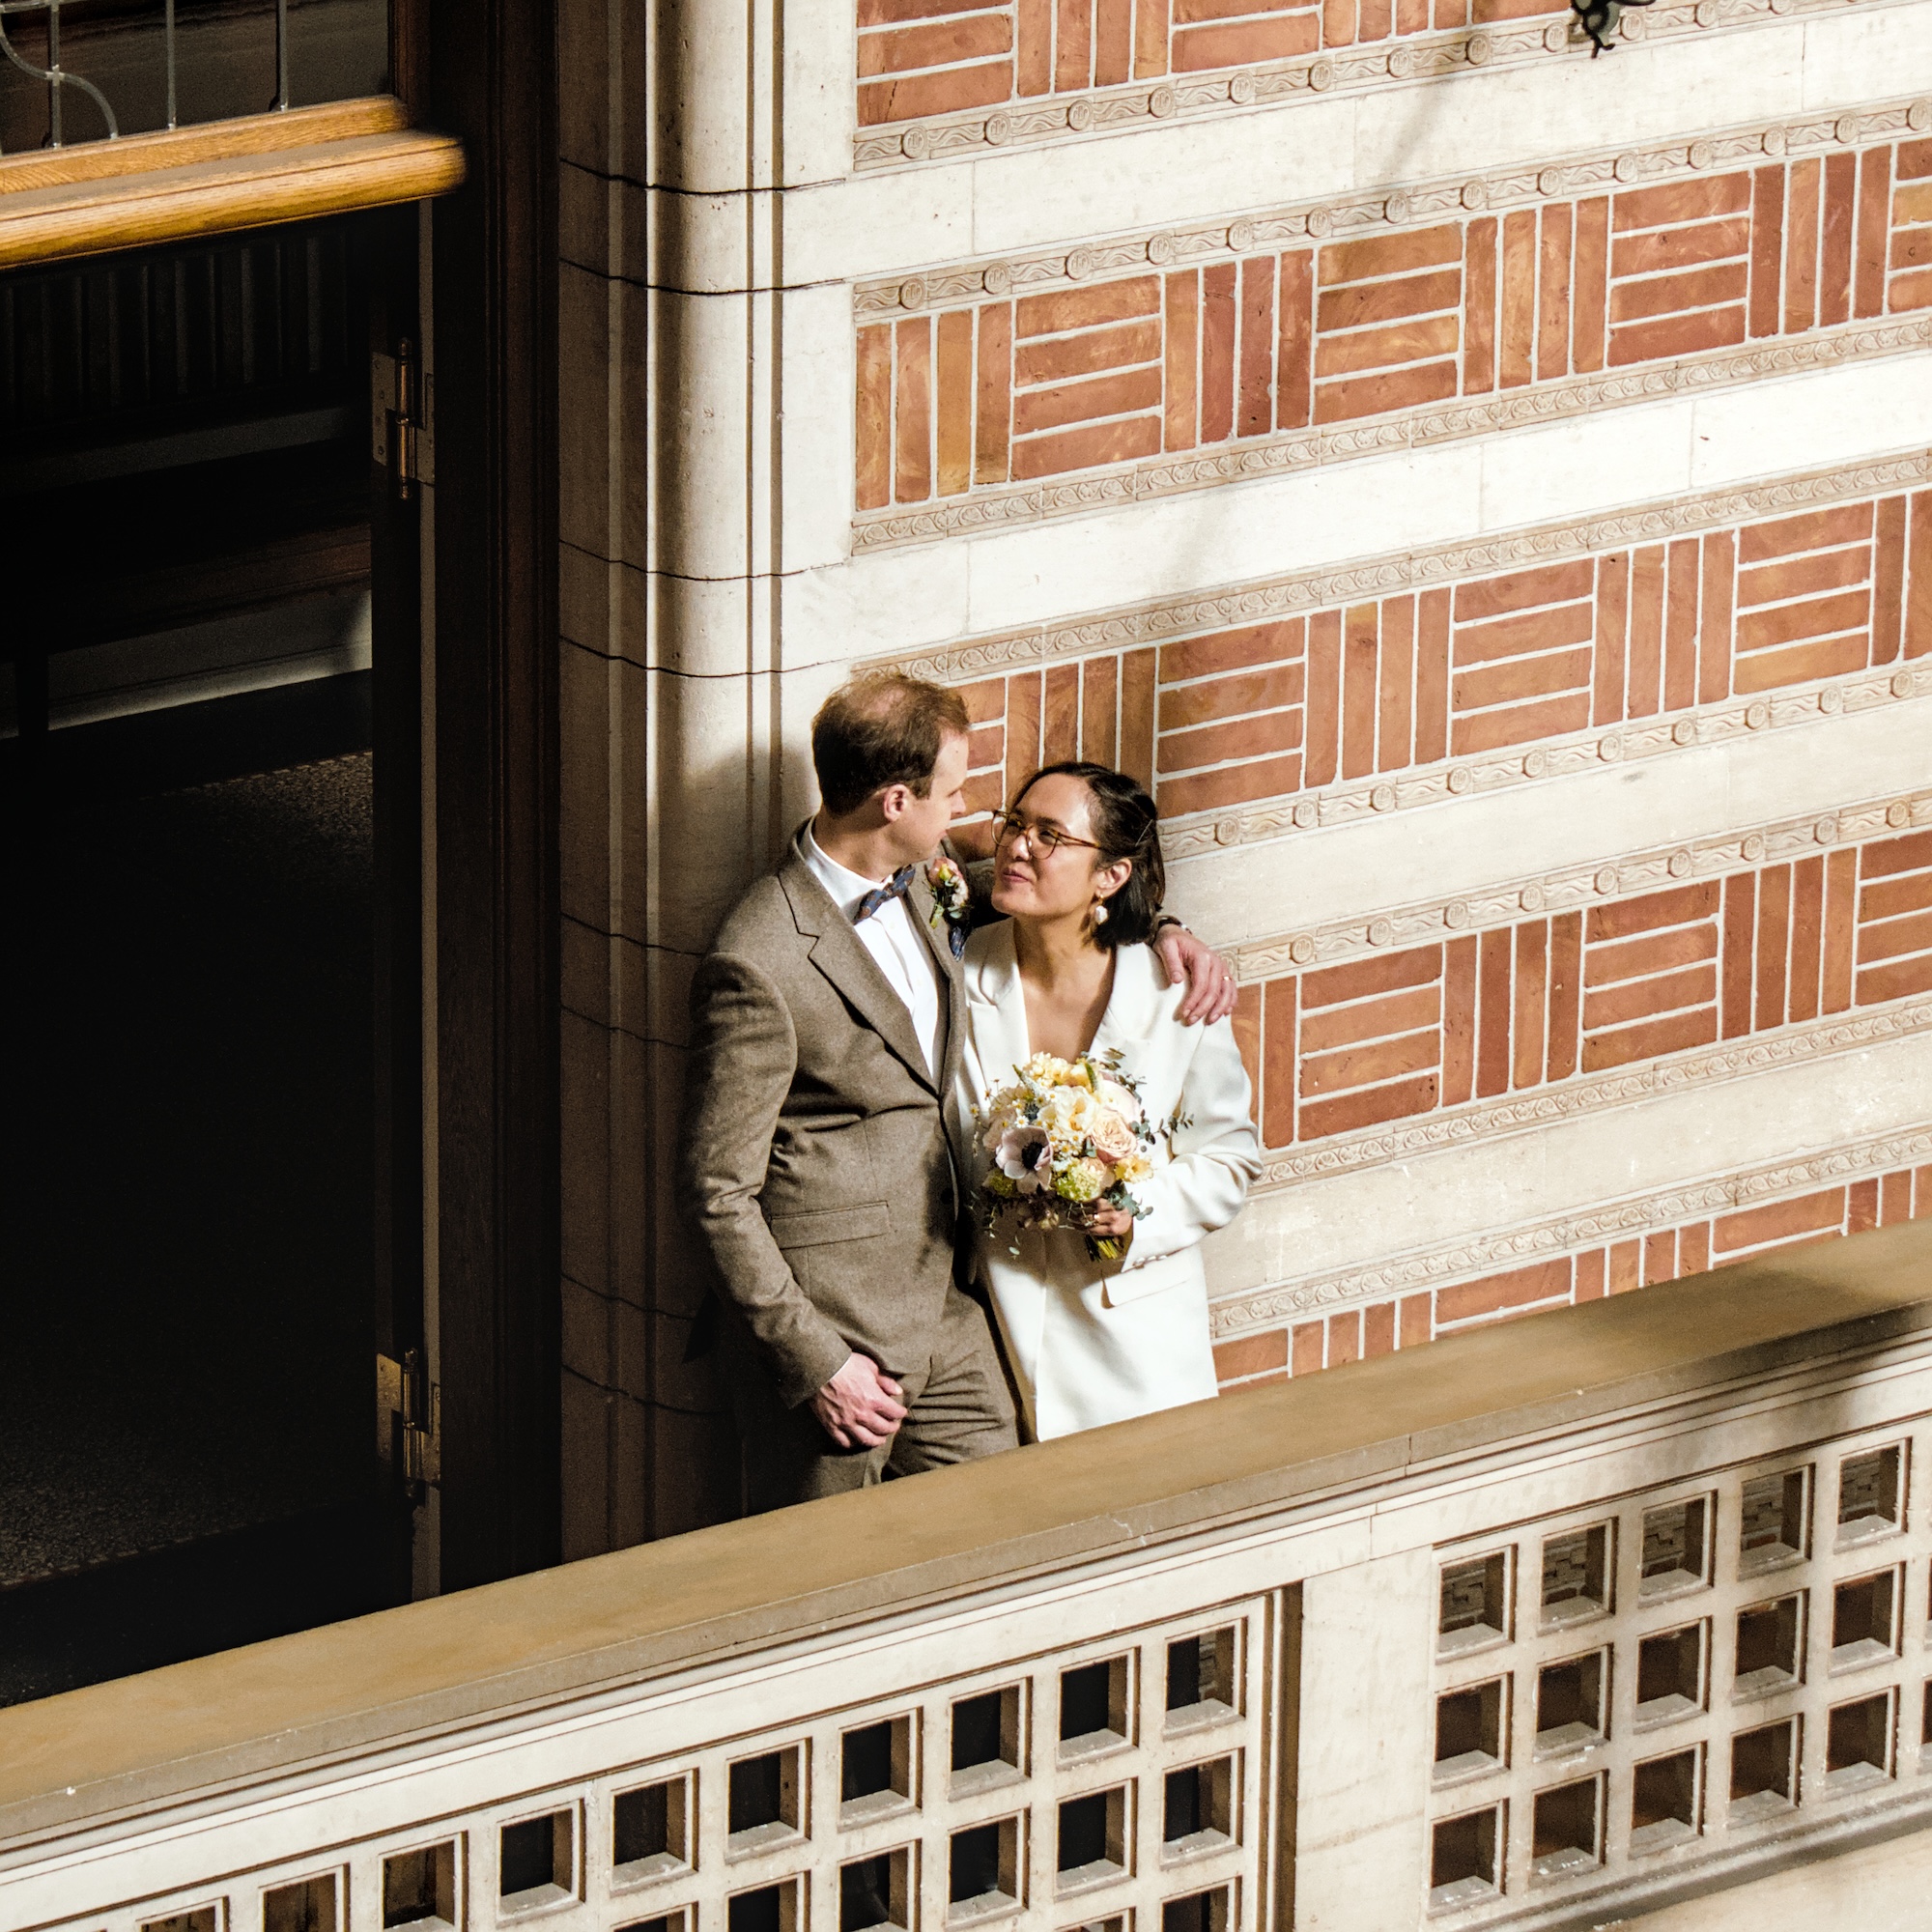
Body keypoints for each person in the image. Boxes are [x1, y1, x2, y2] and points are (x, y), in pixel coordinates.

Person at [682, 673, 1237, 1509]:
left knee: (999, 1535)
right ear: (896, 801)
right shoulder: (757, 957)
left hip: (955, 1312)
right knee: (817, 1583)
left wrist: (1161, 923)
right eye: (954, 789)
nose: (974, 814)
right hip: (838, 1335)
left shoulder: (929, 876)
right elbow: (717, 1192)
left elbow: (1050, 891)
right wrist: (816, 1363)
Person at [952, 761, 1261, 1441]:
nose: (1017, 845)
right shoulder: (958, 973)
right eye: (1014, 823)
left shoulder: (1177, 995)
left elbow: (1230, 1159)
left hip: (1137, 1352)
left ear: (1111, 875)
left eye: (1051, 836)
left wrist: (1135, 1218)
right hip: (993, 1348)